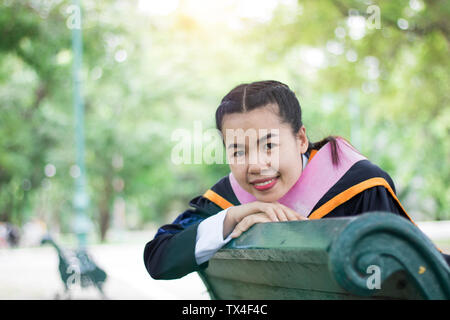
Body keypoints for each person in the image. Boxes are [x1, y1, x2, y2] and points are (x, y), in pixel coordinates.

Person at [144, 80, 449, 280]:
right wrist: (233, 216)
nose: (256, 166)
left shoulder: (358, 185)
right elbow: (158, 259)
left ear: (301, 139)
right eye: (237, 150)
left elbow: (413, 273)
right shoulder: (227, 201)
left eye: (269, 145)